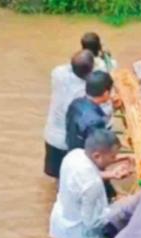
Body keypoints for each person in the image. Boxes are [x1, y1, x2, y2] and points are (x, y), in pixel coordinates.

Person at [49, 129, 125, 238]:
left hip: (60, 226)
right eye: (112, 157)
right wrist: (119, 206)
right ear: (97, 156)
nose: (114, 160)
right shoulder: (93, 185)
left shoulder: (74, 155)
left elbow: (80, 181)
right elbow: (92, 222)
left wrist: (111, 174)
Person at [66, 70, 119, 201]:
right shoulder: (95, 122)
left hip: (71, 154)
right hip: (87, 166)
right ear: (106, 93)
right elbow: (98, 155)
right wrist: (114, 172)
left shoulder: (76, 103)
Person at [43, 50, 94, 178]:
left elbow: (70, 66)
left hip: (51, 136)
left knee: (57, 178)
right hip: (69, 143)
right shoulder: (85, 91)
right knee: (71, 178)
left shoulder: (58, 74)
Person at [81, 32, 119, 128]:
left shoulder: (81, 66)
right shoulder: (110, 64)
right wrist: (106, 56)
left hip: (87, 110)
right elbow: (114, 74)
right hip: (106, 110)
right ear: (99, 47)